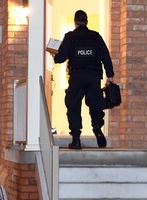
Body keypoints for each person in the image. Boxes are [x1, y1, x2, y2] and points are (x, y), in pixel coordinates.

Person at [53, 10, 114, 149]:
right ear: (86, 22)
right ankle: (97, 128)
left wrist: (54, 54)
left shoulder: (70, 37)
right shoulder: (95, 37)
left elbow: (60, 58)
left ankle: (76, 139)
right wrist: (109, 75)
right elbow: (106, 56)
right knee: (96, 104)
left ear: (75, 22)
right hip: (93, 77)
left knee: (73, 105)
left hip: (76, 77)